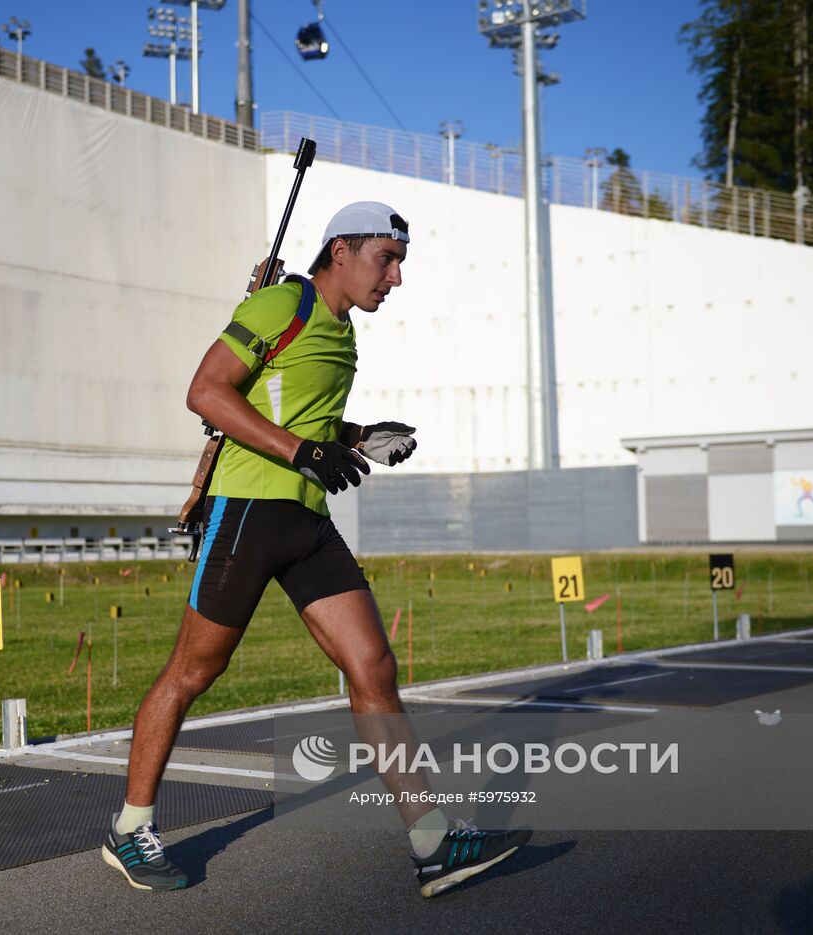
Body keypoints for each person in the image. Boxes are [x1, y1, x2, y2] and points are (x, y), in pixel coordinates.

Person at [101, 202, 529, 897]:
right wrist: (304, 448)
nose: (394, 278)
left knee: (374, 664)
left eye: (399, 263)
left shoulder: (344, 335)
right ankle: (130, 828)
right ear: (341, 250)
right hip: (247, 512)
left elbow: (303, 416)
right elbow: (206, 391)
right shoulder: (284, 304)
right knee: (192, 671)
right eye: (385, 259)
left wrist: (358, 437)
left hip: (307, 520)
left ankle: (432, 843)